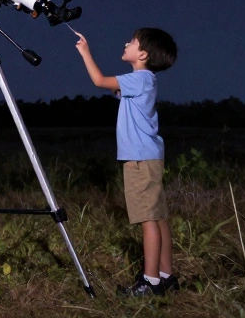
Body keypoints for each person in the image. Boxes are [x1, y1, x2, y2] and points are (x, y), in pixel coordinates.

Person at [73, 26, 179, 297]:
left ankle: (151, 282)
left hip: (139, 159)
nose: (126, 43)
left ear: (142, 53)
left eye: (132, 41)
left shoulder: (140, 78)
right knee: (158, 216)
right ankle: (167, 275)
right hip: (150, 156)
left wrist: (85, 51)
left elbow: (99, 81)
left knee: (147, 220)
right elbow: (116, 92)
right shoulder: (144, 80)